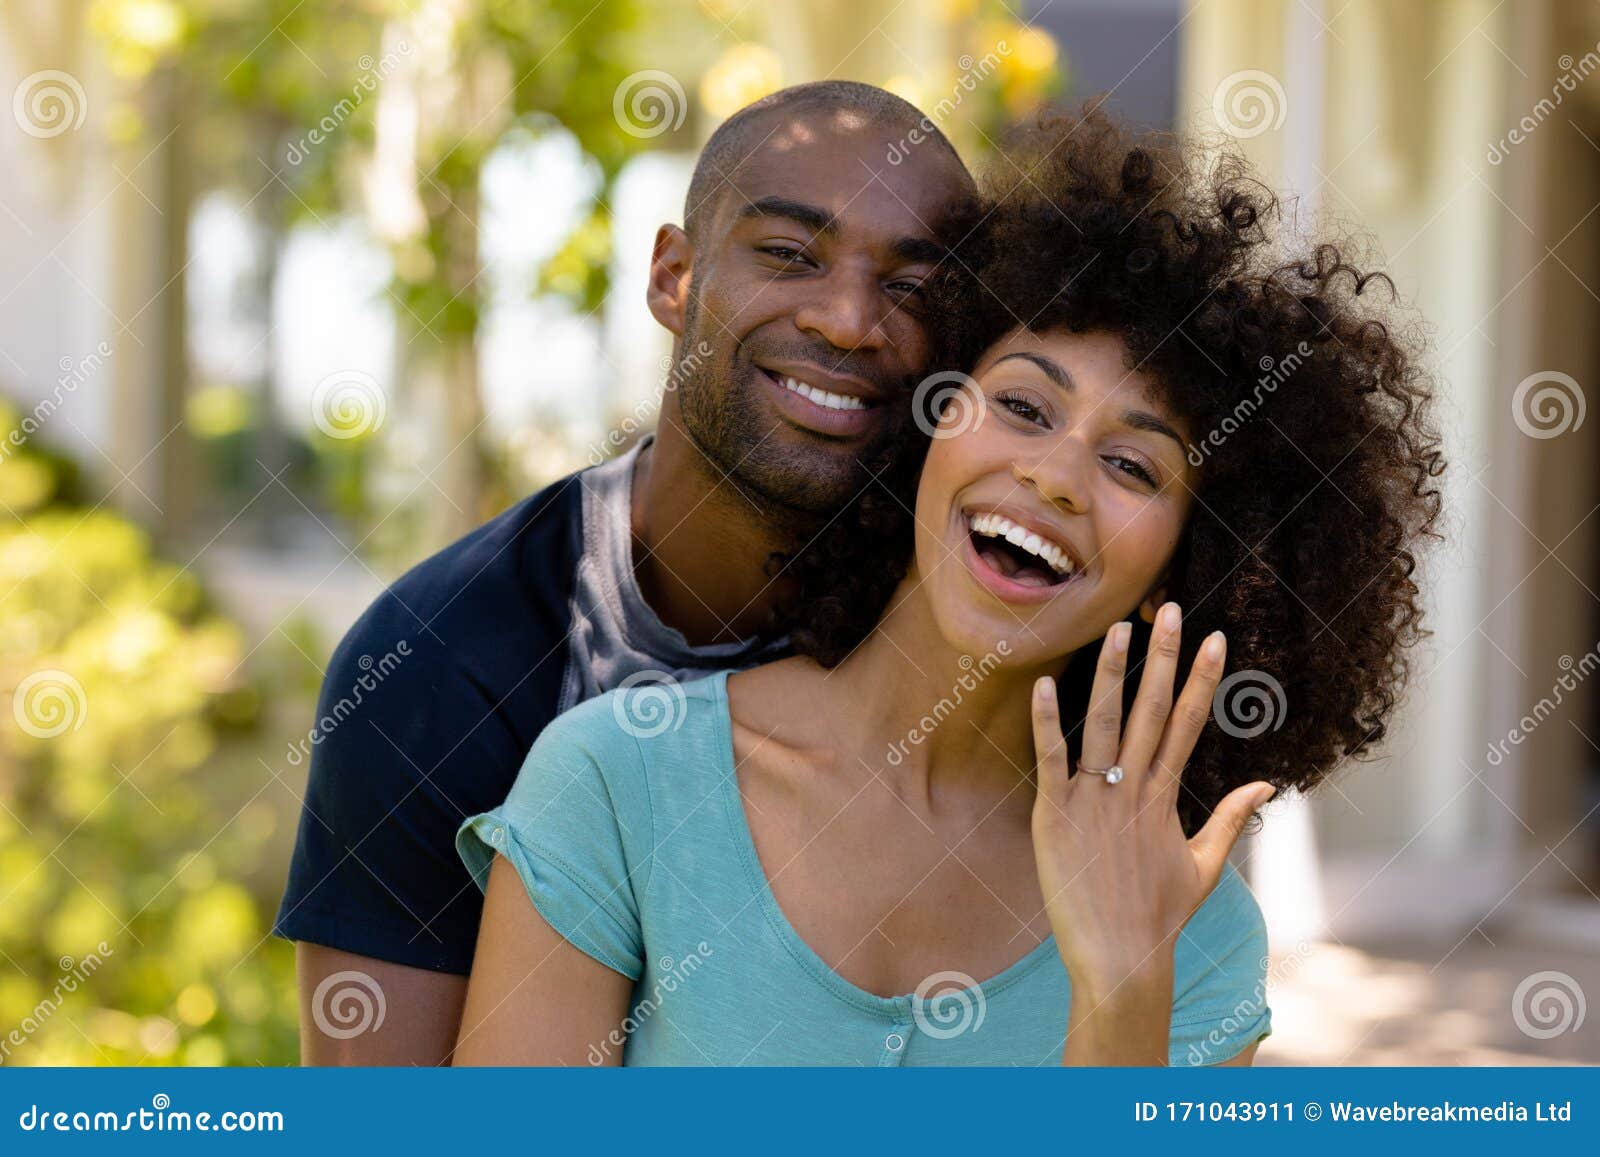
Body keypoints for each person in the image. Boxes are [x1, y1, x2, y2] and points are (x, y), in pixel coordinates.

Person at [450, 106, 1445, 1065]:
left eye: (1133, 467)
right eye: (1021, 404)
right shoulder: (620, 784)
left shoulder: (1189, 925)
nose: (1054, 476)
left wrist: (1121, 987)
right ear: (926, 427)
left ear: (1184, 569)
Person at [273, 81, 979, 1064]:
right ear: (672, 277)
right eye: (787, 254)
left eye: (913, 288)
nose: (851, 320)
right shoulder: (440, 667)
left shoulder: (985, 649)